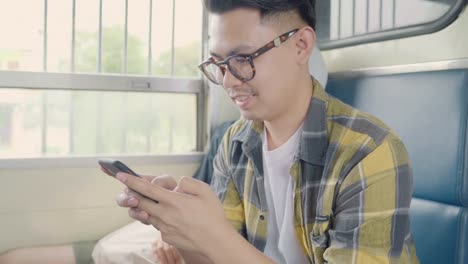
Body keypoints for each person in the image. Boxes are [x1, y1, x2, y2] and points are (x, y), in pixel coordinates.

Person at [115, 0, 420, 263]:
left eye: (242, 60)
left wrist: (214, 234)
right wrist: (180, 226)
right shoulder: (235, 142)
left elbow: (225, 246)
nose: (227, 82)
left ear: (301, 46)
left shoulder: (370, 152)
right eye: (219, 63)